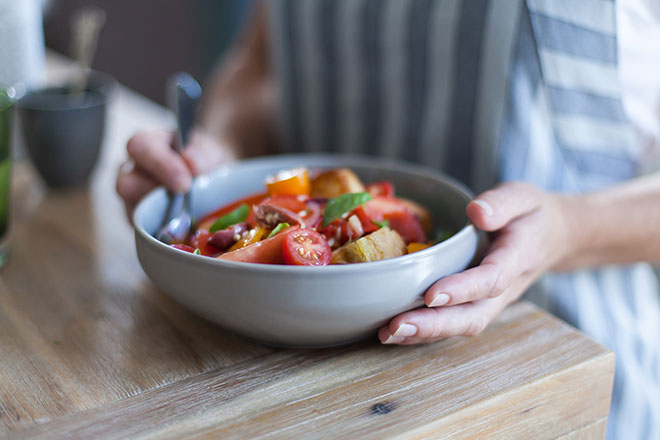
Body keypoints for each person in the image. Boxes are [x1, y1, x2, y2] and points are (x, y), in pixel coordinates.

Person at [116, 1, 660, 438]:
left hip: (552, 371)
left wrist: (567, 228)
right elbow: (260, 67)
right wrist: (217, 156)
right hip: (267, 381)